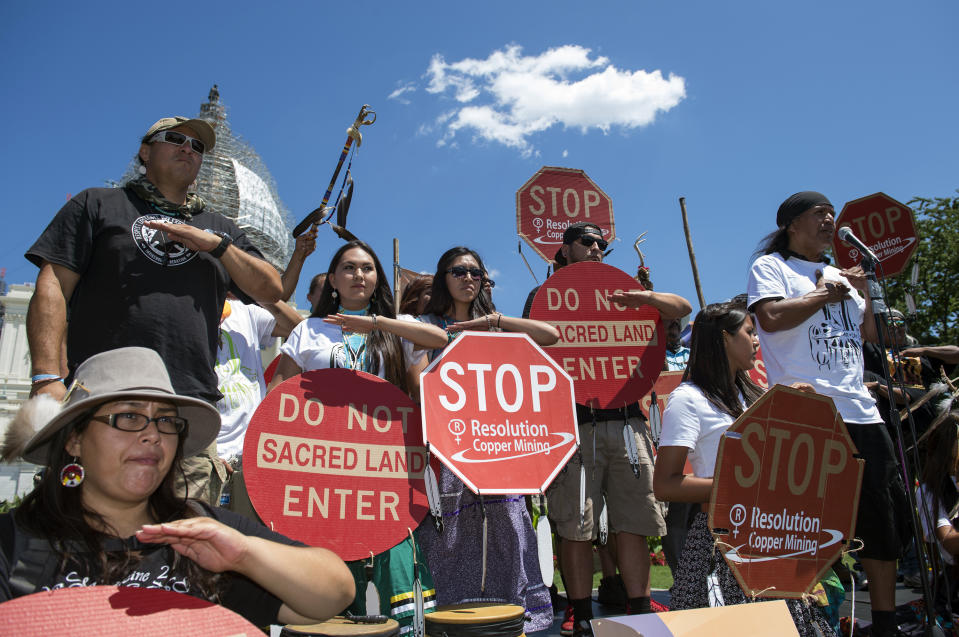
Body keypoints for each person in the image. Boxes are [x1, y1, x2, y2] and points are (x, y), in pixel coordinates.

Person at [25, 115, 283, 504]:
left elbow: (270, 289)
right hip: (103, 397)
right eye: (175, 139)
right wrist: (47, 376)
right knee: (84, 529)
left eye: (197, 147)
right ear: (145, 151)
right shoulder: (99, 204)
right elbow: (54, 285)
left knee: (184, 545)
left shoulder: (218, 227)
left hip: (187, 411)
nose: (188, 149)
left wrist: (215, 245)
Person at [0, 347, 354, 627]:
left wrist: (245, 556)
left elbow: (335, 592)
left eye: (166, 420)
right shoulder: (11, 542)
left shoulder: (204, 536)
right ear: (74, 440)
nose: (153, 434)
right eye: (129, 416)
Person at [746, 191, 910, 637]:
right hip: (807, 409)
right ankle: (804, 618)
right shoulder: (771, 267)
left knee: (882, 516)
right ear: (791, 224)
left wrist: (869, 292)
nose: (829, 222)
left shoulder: (839, 272)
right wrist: (824, 293)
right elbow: (773, 318)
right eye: (819, 215)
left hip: (860, 409)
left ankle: (885, 622)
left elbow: (871, 334)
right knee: (806, 519)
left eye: (832, 216)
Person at [267, 240, 447, 636]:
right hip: (321, 465)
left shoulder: (398, 327)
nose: (358, 275)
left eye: (367, 268)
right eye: (348, 268)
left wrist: (377, 324)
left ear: (377, 277)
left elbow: (439, 343)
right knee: (327, 555)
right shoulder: (307, 330)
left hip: (386, 465)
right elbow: (277, 397)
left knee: (394, 553)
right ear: (332, 279)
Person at [524, 222, 690, 634]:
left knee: (634, 522)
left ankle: (638, 611)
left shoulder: (627, 293)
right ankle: (579, 613)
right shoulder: (543, 297)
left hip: (629, 422)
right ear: (564, 250)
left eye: (602, 244)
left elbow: (681, 309)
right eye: (587, 242)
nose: (598, 248)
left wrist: (644, 296)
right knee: (575, 525)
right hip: (574, 426)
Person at [653, 302, 835, 636]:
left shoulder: (754, 395)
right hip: (722, 546)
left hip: (773, 537)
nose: (756, 341)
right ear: (724, 338)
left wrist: (800, 412)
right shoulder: (687, 399)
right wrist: (740, 486)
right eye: (750, 332)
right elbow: (665, 484)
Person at [415, 246, 559, 634]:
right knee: (450, 537)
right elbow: (419, 384)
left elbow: (551, 336)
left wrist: (493, 320)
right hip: (448, 449)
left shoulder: (495, 325)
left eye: (476, 273)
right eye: (458, 271)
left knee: (509, 528)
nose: (468, 278)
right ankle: (450, 617)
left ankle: (513, 615)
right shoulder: (425, 323)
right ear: (443, 277)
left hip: (498, 449)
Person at [214, 295, 303, 517]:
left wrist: (255, 289)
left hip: (248, 458)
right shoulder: (185, 305)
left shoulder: (246, 311)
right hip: (204, 455)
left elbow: (299, 328)